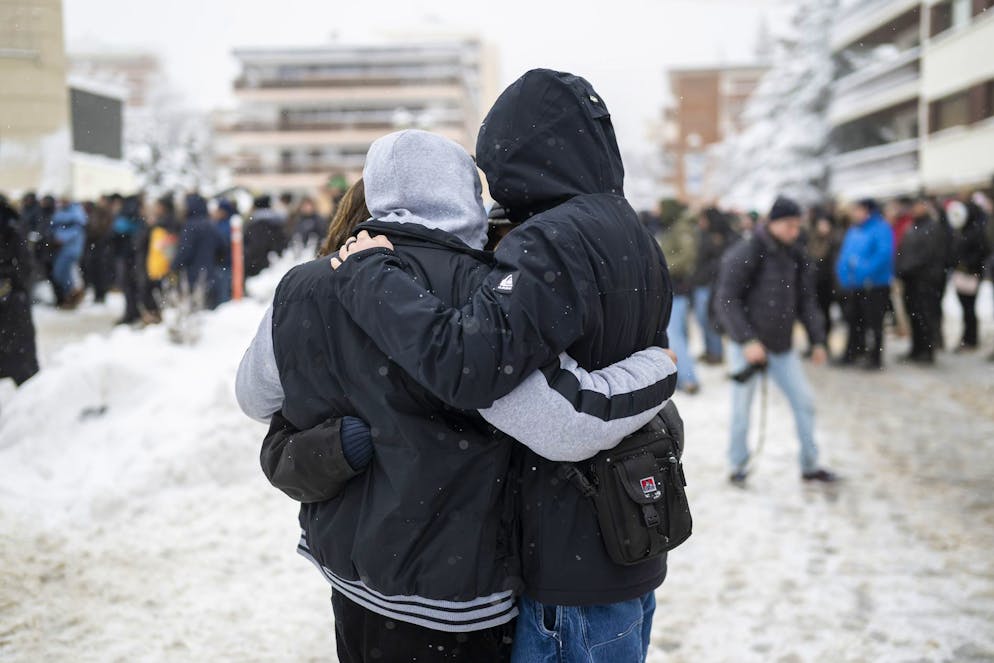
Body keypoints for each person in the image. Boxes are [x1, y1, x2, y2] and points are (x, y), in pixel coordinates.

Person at [236, 131, 678, 663]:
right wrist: (658, 366)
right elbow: (563, 419)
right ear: (465, 191)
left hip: (349, 572)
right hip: (454, 594)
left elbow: (254, 397)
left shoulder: (303, 284)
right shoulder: (486, 292)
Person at [714, 196, 835, 486]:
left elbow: (806, 301)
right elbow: (726, 300)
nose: (795, 231)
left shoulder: (796, 254)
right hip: (747, 347)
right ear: (774, 222)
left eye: (798, 225)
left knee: (804, 401)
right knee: (742, 408)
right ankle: (737, 465)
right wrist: (747, 340)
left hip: (782, 347)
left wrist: (818, 340)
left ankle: (810, 464)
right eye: (790, 225)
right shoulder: (746, 251)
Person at [836, 198, 894, 370]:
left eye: (858, 210)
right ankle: (853, 352)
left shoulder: (881, 228)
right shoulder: (854, 230)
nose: (855, 213)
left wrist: (863, 270)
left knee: (874, 323)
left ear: (868, 211)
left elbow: (883, 255)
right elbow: (845, 255)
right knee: (854, 320)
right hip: (855, 285)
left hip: (875, 285)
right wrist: (844, 274)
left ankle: (875, 357)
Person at [895, 197, 946, 364]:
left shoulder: (932, 227)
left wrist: (907, 267)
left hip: (926, 281)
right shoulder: (912, 227)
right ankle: (916, 349)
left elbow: (926, 255)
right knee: (914, 316)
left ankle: (927, 351)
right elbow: (904, 250)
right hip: (911, 281)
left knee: (926, 317)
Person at [658, 207, 701, 393]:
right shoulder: (672, 227)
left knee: (676, 337)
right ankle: (683, 377)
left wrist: (663, 265)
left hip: (678, 289)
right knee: (679, 335)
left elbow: (688, 256)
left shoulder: (680, 228)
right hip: (675, 289)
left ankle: (688, 379)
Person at [0, 196, 39, 386]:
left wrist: (10, 283)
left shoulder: (11, 226)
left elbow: (24, 266)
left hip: (12, 302)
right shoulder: (13, 223)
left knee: (20, 362)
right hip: (14, 300)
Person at [948, 199, 990, 353]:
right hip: (963, 274)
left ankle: (971, 339)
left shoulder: (975, 232)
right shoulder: (962, 230)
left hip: (971, 274)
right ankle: (968, 338)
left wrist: (968, 264)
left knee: (969, 309)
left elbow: (981, 253)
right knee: (965, 309)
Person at [692, 207, 732, 365]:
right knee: (702, 320)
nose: (700, 222)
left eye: (703, 219)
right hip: (700, 283)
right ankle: (709, 350)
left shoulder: (719, 237)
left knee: (710, 320)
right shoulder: (704, 235)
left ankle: (716, 352)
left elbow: (719, 261)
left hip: (710, 285)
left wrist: (707, 272)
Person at [172, 193, 223, 309]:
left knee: (195, 310)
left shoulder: (190, 226)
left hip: (192, 275)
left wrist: (174, 266)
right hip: (210, 274)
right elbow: (222, 247)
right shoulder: (211, 225)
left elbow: (185, 251)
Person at [141, 195, 181, 323]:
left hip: (163, 267)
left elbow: (170, 247)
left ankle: (159, 318)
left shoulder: (168, 223)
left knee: (160, 295)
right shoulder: (160, 223)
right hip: (156, 265)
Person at [806, 211, 841, 344]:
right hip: (815, 283)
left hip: (828, 283)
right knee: (813, 314)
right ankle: (815, 342)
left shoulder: (834, 241)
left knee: (826, 314)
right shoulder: (813, 239)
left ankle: (824, 342)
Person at [111, 194, 144, 325]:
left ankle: (132, 313)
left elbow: (117, 232)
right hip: (132, 256)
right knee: (132, 286)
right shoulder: (134, 216)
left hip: (127, 256)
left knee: (129, 286)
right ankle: (133, 313)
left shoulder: (125, 217)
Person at [49, 197, 88, 309]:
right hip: (63, 250)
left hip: (72, 249)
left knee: (65, 274)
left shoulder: (75, 213)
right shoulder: (62, 212)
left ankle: (72, 296)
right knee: (61, 274)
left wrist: (61, 237)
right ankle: (69, 296)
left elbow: (77, 228)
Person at [243, 195, 287, 278]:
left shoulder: (254, 224)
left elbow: (253, 246)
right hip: (274, 265)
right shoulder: (278, 223)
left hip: (255, 265)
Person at [82, 196, 115, 304]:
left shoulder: (107, 214)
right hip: (94, 246)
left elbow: (101, 229)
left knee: (101, 272)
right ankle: (98, 294)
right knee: (94, 272)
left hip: (103, 246)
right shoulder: (94, 213)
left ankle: (101, 294)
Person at [210, 198, 237, 306]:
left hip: (223, 264)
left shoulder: (225, 226)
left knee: (222, 295)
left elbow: (222, 245)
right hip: (223, 264)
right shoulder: (224, 224)